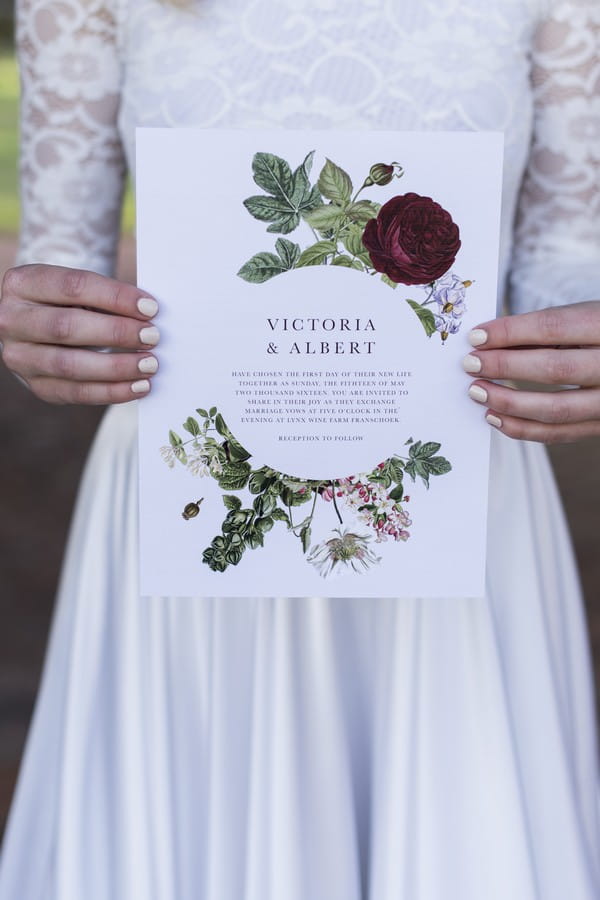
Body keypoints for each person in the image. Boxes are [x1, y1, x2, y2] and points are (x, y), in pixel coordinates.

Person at [0, 0, 599, 897]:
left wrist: (577, 351)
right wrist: (42, 322)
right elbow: (59, 266)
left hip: (453, 514)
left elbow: (566, 272)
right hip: (192, 507)